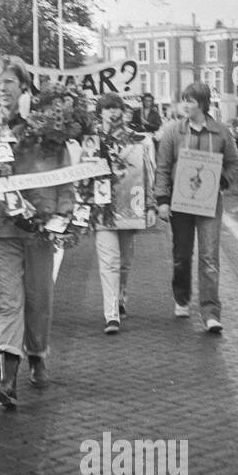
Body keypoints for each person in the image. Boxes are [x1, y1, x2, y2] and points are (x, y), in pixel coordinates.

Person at [0, 56, 56, 407]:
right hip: (2, 223)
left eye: (7, 81)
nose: (1, 88)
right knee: (9, 301)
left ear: (22, 84)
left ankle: (37, 353)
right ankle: (7, 379)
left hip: (38, 223)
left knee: (38, 298)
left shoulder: (43, 122)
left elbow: (57, 164)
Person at [154, 83, 238, 334]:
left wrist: (222, 181)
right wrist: (162, 199)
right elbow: (162, 167)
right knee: (182, 256)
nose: (185, 105)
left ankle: (211, 312)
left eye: (190, 101)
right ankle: (181, 297)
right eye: (184, 100)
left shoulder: (221, 133)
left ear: (202, 104)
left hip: (209, 204)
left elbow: (234, 163)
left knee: (209, 258)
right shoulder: (173, 132)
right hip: (180, 205)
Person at [89, 93, 156, 335]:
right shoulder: (91, 140)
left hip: (130, 206)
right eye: (108, 109)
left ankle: (120, 297)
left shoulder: (138, 140)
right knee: (109, 262)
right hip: (102, 209)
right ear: (101, 112)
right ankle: (111, 315)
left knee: (124, 263)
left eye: (116, 108)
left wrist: (150, 206)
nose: (113, 113)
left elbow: (148, 173)